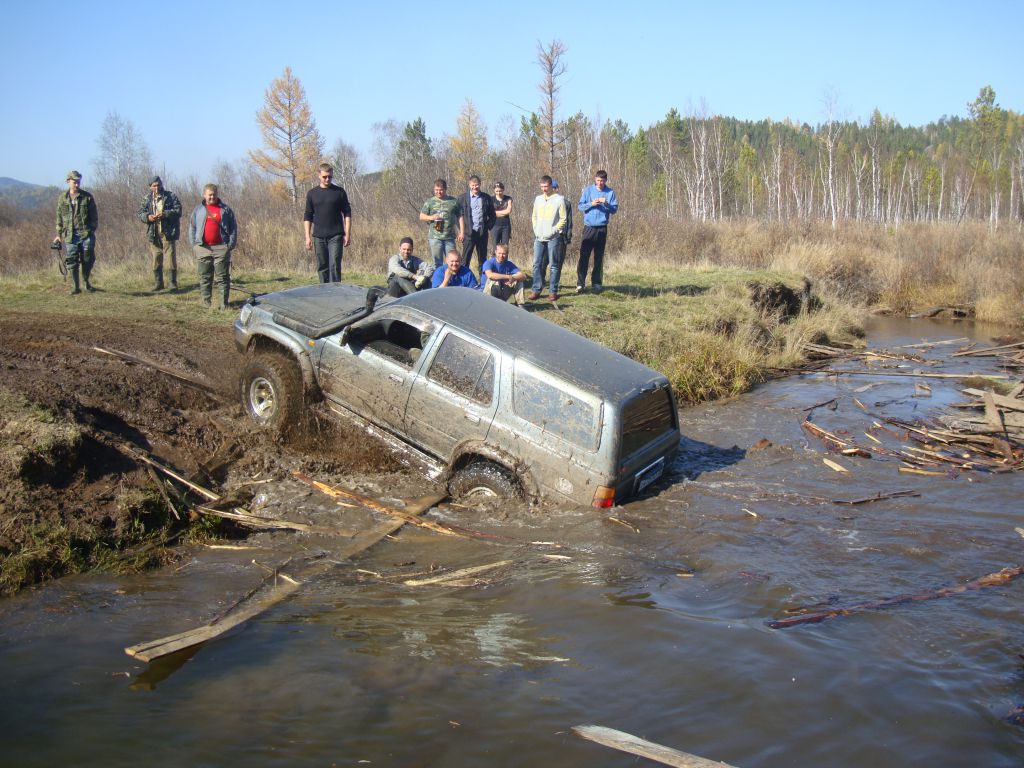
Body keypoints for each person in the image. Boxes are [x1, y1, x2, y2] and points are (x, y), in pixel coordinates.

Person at [188, 183, 238, 309]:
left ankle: (224, 305)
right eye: (209, 195)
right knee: (205, 277)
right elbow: (192, 227)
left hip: (221, 248)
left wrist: (230, 244)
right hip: (203, 248)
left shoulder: (225, 210)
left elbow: (233, 228)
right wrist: (194, 245)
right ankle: (206, 304)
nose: (212, 197)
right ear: (204, 195)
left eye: (214, 194)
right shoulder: (198, 210)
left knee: (223, 278)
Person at [303, 163, 352, 283]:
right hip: (318, 237)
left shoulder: (339, 192)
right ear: (319, 175)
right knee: (322, 266)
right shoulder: (312, 193)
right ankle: (324, 290)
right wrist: (307, 237)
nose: (327, 179)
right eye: (325, 177)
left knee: (334, 265)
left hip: (336, 235)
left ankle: (335, 291)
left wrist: (347, 234)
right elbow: (308, 216)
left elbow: (347, 213)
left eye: (330, 177)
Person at [53, 170, 98, 295]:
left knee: (88, 259)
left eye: (78, 182)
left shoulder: (87, 197)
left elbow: (94, 217)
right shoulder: (62, 198)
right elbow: (59, 218)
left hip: (86, 234)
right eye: (75, 182)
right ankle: (75, 287)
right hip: (70, 235)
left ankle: (86, 281)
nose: (77, 184)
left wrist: (90, 230)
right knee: (72, 261)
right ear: (68, 181)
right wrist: (58, 235)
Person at [137, 175, 182, 292]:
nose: (157, 187)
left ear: (161, 184)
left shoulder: (170, 196)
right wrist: (148, 217)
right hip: (153, 232)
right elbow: (140, 213)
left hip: (168, 232)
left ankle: (172, 283)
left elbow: (178, 211)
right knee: (156, 258)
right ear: (150, 187)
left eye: (158, 185)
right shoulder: (147, 199)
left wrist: (165, 214)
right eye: (154, 186)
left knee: (170, 258)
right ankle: (158, 283)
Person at [576, 170, 618, 294]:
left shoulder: (610, 192)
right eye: (598, 180)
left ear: (606, 180)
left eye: (602, 181)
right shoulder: (588, 190)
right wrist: (591, 204)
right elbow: (580, 206)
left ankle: (596, 283)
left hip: (602, 228)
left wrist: (606, 203)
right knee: (584, 256)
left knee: (599, 257)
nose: (600, 183)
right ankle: (580, 284)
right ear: (595, 179)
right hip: (589, 228)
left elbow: (614, 210)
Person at [529, 175, 567, 302]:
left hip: (553, 238)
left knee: (554, 265)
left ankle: (552, 291)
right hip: (539, 237)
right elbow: (534, 216)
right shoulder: (538, 199)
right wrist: (536, 229)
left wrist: (554, 230)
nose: (544, 189)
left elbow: (563, 219)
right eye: (542, 187)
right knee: (537, 264)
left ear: (551, 186)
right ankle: (536, 289)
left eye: (546, 186)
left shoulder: (559, 199)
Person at [419, 179, 464, 267]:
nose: (438, 192)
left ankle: (450, 276)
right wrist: (431, 217)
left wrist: (461, 232)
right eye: (436, 190)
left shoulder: (453, 201)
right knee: (437, 263)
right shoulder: (430, 202)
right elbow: (421, 216)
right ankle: (438, 276)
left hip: (449, 237)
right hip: (435, 237)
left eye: (441, 190)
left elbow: (460, 216)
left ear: (445, 189)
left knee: (452, 262)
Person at [457, 175, 495, 276]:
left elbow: (493, 215)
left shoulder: (486, 198)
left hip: (482, 233)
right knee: (465, 259)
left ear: (480, 184)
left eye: (477, 185)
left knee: (482, 259)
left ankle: (482, 280)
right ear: (469, 185)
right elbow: (457, 216)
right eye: (473, 185)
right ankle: (464, 280)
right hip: (468, 234)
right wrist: (462, 231)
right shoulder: (462, 198)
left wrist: (488, 227)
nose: (475, 187)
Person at [490, 181, 513, 246]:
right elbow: (491, 213)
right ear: (494, 190)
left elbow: (508, 211)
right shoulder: (491, 199)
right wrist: (503, 213)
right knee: (495, 246)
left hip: (506, 226)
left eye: (500, 191)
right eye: (497, 191)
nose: (498, 193)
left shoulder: (508, 199)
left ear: (503, 190)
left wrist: (496, 213)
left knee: (505, 246)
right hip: (495, 225)